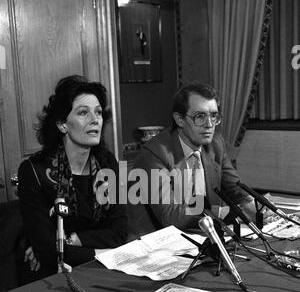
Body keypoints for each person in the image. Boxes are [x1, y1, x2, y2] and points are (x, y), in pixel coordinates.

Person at [18, 75, 127, 280]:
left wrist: (69, 239)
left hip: (103, 273)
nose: (95, 120)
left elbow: (119, 233)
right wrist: (101, 253)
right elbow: (49, 253)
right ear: (62, 125)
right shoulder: (34, 171)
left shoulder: (108, 163)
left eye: (98, 112)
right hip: (51, 279)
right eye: (83, 113)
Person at [130, 82, 257, 235]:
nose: (209, 124)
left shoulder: (215, 144)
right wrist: (218, 212)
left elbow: (237, 189)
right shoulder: (155, 154)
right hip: (159, 244)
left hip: (203, 236)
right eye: (200, 116)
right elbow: (170, 216)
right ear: (180, 120)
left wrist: (258, 207)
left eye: (214, 115)